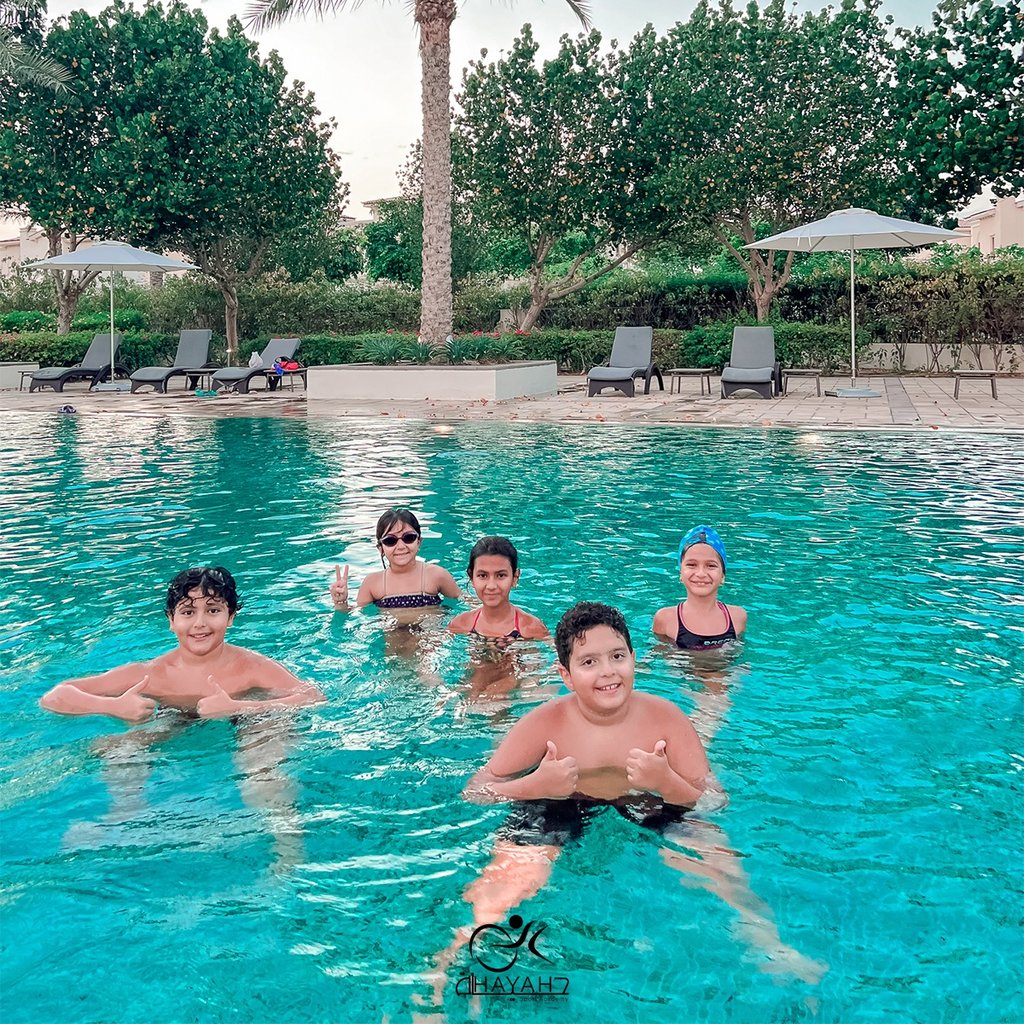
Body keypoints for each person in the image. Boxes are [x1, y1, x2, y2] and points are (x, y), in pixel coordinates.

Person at [428, 602, 824, 997]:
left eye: (617, 656)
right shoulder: (543, 724)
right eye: (589, 662)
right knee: (517, 874)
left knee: (712, 854)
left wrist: (667, 782)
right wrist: (534, 786)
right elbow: (476, 791)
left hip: (643, 799)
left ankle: (767, 942)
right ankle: (451, 959)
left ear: (634, 659)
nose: (607, 671)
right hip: (555, 800)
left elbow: (713, 801)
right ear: (565, 675)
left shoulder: (665, 719)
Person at [40, 566, 323, 722]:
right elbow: (54, 697)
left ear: (231, 617)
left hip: (245, 718)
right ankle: (122, 815)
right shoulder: (150, 674)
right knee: (121, 751)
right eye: (188, 612)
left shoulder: (252, 667)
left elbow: (313, 697)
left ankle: (280, 817)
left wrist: (240, 708)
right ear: (171, 620)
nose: (200, 623)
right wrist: (112, 708)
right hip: (171, 719)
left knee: (267, 738)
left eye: (213, 611)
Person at [330, 508, 460, 614]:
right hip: (393, 633)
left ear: (419, 542)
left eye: (408, 538)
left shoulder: (437, 575)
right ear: (380, 548)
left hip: (431, 633)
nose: (401, 546)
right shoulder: (372, 583)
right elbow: (356, 614)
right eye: (390, 541)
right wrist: (341, 603)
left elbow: (464, 602)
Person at [652, 525, 747, 650]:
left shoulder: (738, 617)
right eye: (692, 564)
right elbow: (654, 657)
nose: (701, 574)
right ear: (680, 573)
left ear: (723, 575)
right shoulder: (665, 619)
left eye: (711, 566)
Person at [447, 536, 549, 644]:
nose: (491, 586)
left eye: (501, 575)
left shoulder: (531, 628)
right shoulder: (460, 625)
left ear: (515, 578)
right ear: (471, 578)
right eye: (482, 575)